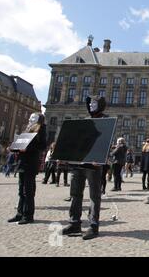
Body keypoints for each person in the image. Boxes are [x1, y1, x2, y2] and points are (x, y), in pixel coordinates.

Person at [61, 95, 108, 240]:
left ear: (100, 105)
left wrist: (99, 157)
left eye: (95, 103)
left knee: (94, 195)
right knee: (75, 193)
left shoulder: (106, 120)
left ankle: (93, 226)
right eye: (90, 103)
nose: (92, 105)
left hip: (93, 163)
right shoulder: (85, 120)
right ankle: (74, 222)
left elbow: (105, 141)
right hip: (78, 162)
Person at [7, 113, 47, 225]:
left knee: (28, 191)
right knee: (21, 190)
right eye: (30, 117)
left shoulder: (41, 129)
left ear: (39, 119)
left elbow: (42, 146)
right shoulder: (27, 130)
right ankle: (20, 213)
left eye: (33, 117)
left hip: (31, 163)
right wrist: (14, 148)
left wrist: (27, 149)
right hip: (22, 162)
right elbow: (21, 144)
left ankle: (28, 215)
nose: (30, 119)